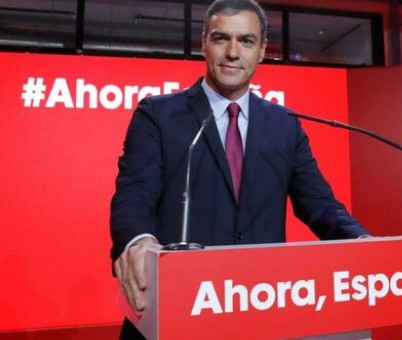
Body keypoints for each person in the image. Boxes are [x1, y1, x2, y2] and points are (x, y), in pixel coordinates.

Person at [110, 0, 370, 338]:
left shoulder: (284, 124)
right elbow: (134, 194)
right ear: (203, 43)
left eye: (246, 41)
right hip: (178, 309)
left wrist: (363, 243)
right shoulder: (158, 115)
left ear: (262, 50)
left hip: (258, 307)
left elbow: (319, 203)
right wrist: (138, 241)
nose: (234, 52)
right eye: (221, 38)